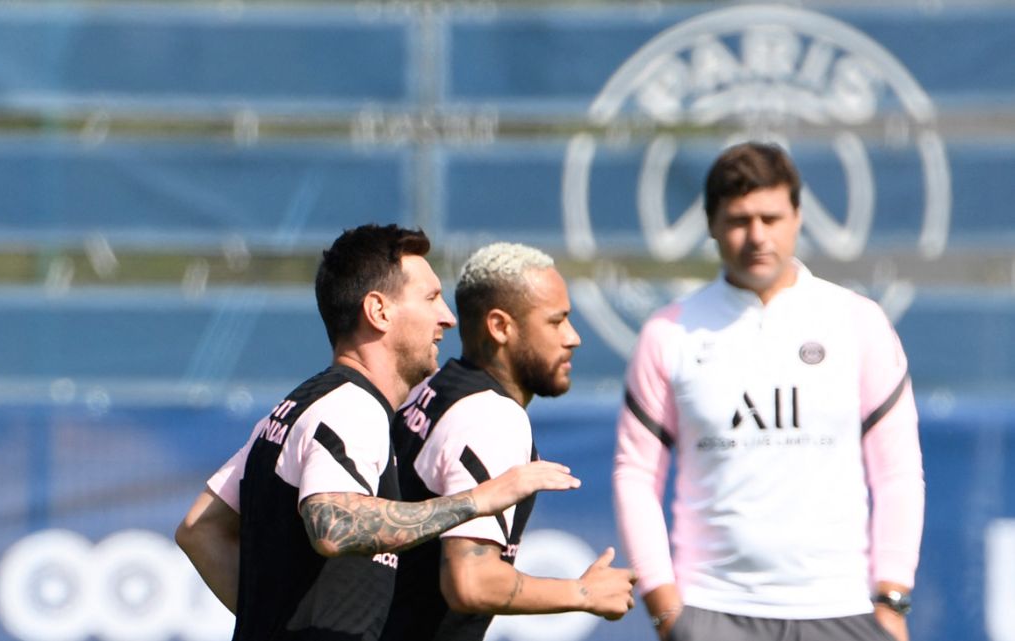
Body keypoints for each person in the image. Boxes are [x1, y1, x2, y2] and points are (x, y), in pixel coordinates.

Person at [175, 224, 581, 641]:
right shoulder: (353, 408)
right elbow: (332, 526)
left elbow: (199, 528)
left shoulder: (298, 405)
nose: (448, 317)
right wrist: (475, 501)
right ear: (379, 311)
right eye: (430, 298)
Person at [613, 142, 925, 641]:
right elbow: (636, 474)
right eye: (738, 220)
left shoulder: (858, 322)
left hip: (842, 607)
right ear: (711, 224)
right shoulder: (668, 333)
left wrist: (891, 600)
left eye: (771, 217)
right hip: (712, 609)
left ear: (798, 217)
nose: (756, 236)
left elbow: (898, 473)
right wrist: (666, 610)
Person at [380, 243, 638, 641]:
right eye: (556, 322)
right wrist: (582, 592)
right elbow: (471, 582)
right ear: (500, 326)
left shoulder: (431, 387)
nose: (573, 338)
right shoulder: (491, 417)